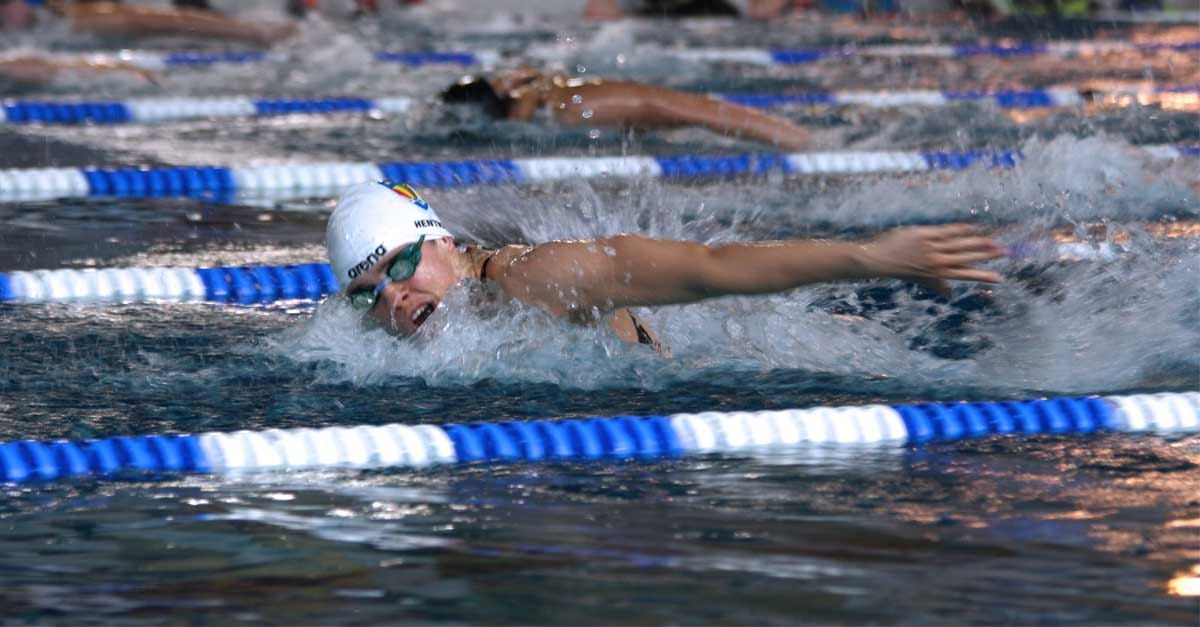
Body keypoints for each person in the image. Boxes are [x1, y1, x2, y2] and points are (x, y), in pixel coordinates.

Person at [326, 180, 1005, 348]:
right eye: (366, 292)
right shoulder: (402, 336)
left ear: (442, 241)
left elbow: (709, 266)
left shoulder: (534, 280)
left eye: (400, 265)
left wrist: (873, 256)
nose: (392, 298)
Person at [441, 69, 814, 151]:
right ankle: (802, 141)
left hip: (585, 109)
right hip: (585, 106)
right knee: (697, 112)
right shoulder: (549, 96)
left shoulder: (538, 102)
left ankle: (801, 142)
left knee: (695, 114)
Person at [3, 0, 294, 45]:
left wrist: (252, 32)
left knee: (149, 21)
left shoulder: (65, 22)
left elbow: (163, 21)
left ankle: (254, 30)